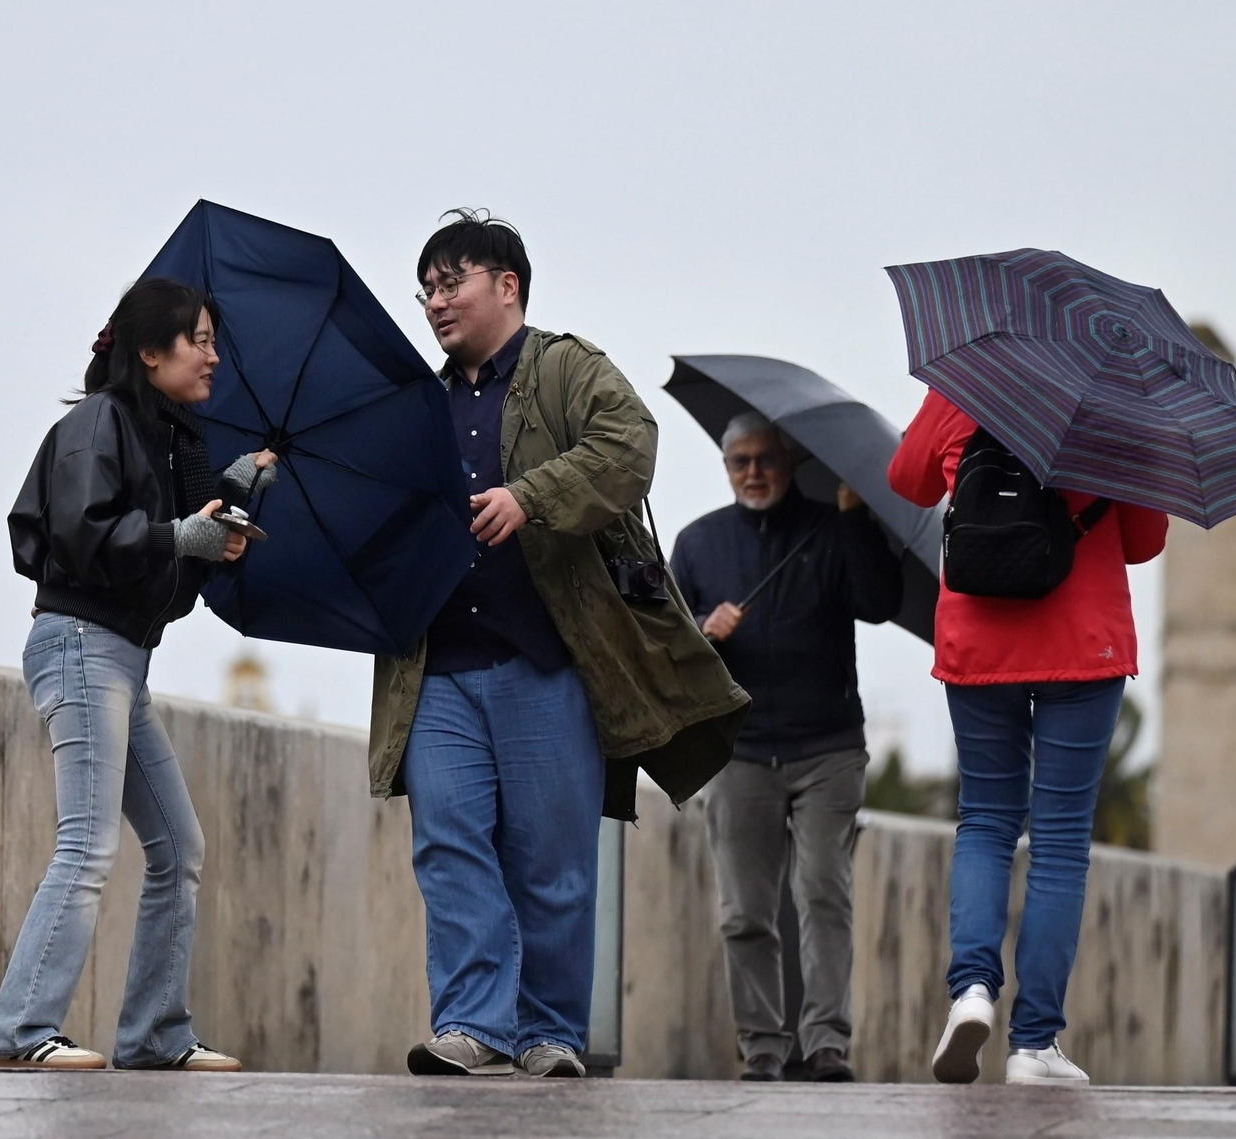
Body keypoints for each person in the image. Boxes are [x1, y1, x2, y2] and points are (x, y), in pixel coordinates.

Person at [370, 209, 751, 1079]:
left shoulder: (564, 367)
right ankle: (472, 1021)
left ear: (508, 286)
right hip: (433, 666)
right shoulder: (418, 400)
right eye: (426, 290)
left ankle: (549, 1030)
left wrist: (530, 495)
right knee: (449, 847)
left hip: (547, 661)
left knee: (552, 859)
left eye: (451, 282)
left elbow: (630, 443)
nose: (436, 302)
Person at [0, 278, 278, 1071]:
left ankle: (155, 1034)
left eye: (213, 341)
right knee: (86, 844)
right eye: (199, 340)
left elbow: (167, 570)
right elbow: (84, 536)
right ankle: (18, 1031)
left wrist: (227, 504)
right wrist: (179, 535)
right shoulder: (98, 422)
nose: (213, 356)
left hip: (123, 657)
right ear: (149, 351)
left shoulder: (171, 440)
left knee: (179, 845)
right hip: (82, 644)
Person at [889, 390, 1168, 1088]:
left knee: (985, 820)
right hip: (1084, 642)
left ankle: (971, 990)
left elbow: (907, 479)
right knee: (1061, 841)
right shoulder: (1114, 401)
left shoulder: (967, 382)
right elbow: (1144, 542)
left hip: (978, 636)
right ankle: (1034, 1044)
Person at [670, 413, 903, 1083]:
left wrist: (856, 518)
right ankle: (763, 1047)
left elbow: (880, 600)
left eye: (765, 459)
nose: (752, 473)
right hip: (739, 751)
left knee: (823, 891)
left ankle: (827, 1042)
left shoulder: (832, 528)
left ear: (792, 462)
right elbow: (661, 644)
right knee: (745, 912)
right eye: (738, 461)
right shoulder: (698, 543)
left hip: (828, 748)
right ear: (726, 467)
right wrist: (703, 629)